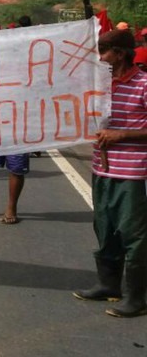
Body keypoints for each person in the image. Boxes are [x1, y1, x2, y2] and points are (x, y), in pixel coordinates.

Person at [73, 29, 147, 317]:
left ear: (120, 53)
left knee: (133, 233)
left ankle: (137, 296)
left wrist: (121, 135)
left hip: (133, 173)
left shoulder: (143, 84)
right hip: (102, 168)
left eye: (104, 51)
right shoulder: (100, 84)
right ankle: (109, 284)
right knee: (105, 227)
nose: (99, 57)